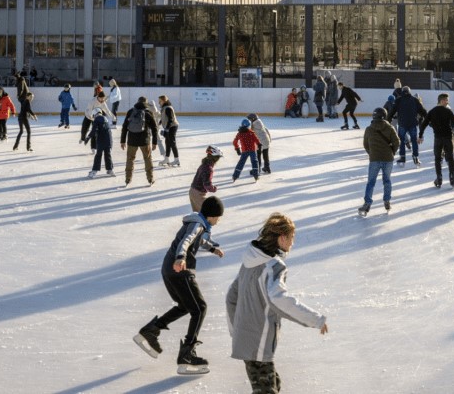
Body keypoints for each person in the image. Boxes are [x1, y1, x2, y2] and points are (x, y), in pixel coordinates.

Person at [226, 212, 329, 393]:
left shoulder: (249, 261)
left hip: (246, 339)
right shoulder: (273, 266)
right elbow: (278, 299)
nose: (292, 243)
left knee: (274, 384)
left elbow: (231, 297)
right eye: (291, 238)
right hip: (258, 340)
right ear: (282, 239)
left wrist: (237, 331)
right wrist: (315, 319)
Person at [133, 196, 225, 375]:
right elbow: (187, 241)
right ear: (213, 216)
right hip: (179, 269)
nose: (219, 220)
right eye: (219, 216)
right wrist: (181, 258)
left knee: (185, 306)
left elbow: (198, 240)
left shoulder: (196, 223)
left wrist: (213, 249)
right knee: (200, 308)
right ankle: (187, 354)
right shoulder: (197, 225)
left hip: (168, 269)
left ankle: (151, 331)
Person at [360, 107, 400, 216]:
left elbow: (365, 145)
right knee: (387, 180)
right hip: (388, 159)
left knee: (371, 182)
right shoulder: (390, 128)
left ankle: (367, 203)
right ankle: (387, 201)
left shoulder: (369, 129)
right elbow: (397, 142)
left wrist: (371, 153)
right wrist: (392, 152)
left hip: (374, 159)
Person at [419, 93, 454, 188]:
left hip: (438, 139)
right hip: (448, 138)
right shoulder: (448, 111)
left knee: (438, 159)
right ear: (441, 100)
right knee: (450, 157)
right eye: (446, 100)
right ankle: (452, 178)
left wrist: (420, 135)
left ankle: (439, 178)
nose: (447, 102)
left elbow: (423, 124)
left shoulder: (432, 111)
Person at [120, 96, 159, 187]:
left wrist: (122, 141)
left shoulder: (130, 112)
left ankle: (127, 179)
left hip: (132, 141)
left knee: (130, 159)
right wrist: (154, 142)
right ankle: (150, 179)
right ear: (146, 103)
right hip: (144, 141)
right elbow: (154, 128)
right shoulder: (148, 112)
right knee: (147, 159)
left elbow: (124, 127)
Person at [389, 86, 427, 166]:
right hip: (413, 124)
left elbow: (392, 111)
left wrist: (387, 120)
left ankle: (402, 157)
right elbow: (422, 111)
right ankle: (416, 157)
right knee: (414, 141)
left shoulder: (398, 100)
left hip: (402, 124)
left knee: (401, 141)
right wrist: (428, 118)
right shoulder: (415, 100)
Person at [189, 146, 222, 212]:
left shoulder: (204, 164)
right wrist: (213, 188)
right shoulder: (208, 168)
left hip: (193, 191)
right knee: (208, 214)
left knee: (198, 215)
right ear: (216, 158)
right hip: (198, 194)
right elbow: (207, 184)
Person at [86, 108, 114, 178]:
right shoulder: (106, 119)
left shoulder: (97, 119)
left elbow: (93, 130)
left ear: (95, 114)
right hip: (108, 140)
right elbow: (109, 131)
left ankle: (94, 171)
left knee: (98, 155)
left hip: (101, 140)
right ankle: (110, 170)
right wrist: (111, 143)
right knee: (108, 155)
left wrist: (88, 137)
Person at [232, 118, 261, 183]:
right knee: (254, 162)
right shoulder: (251, 133)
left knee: (241, 163)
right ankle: (256, 175)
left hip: (244, 151)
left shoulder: (239, 133)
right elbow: (256, 139)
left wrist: (237, 148)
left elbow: (234, 142)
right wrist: (259, 144)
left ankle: (235, 176)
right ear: (249, 125)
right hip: (252, 150)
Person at [158, 95, 180, 167]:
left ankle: (176, 159)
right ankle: (167, 158)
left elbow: (171, 119)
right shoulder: (165, 108)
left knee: (172, 142)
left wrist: (167, 129)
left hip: (172, 127)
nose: (159, 102)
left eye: (160, 101)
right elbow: (165, 117)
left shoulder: (168, 108)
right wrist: (160, 122)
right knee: (167, 142)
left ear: (164, 101)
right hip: (169, 127)